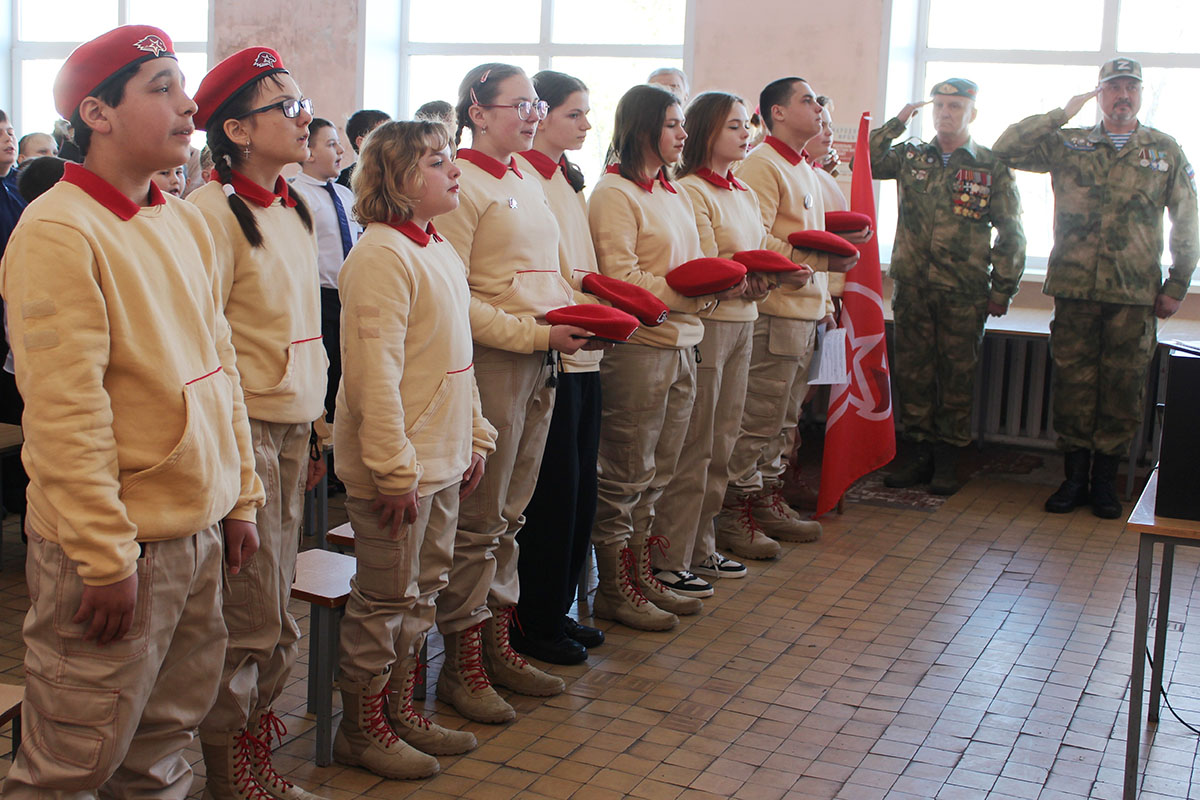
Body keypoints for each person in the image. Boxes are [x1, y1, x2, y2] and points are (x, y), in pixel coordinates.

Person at [0, 25, 262, 797]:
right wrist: (105, 555)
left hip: (197, 528)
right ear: (97, 112)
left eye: (184, 89)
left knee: (163, 742)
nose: (189, 107)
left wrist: (240, 495)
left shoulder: (177, 219)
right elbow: (65, 414)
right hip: (120, 545)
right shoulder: (57, 230)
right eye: (162, 88)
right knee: (71, 762)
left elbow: (221, 371)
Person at [333, 120, 497, 778]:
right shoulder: (380, 257)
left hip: (442, 459)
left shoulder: (436, 247)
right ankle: (361, 729)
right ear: (395, 181)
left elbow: (458, 358)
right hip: (397, 471)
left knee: (422, 592)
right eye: (435, 161)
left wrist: (474, 436)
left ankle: (400, 711)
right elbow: (374, 377)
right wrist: (394, 471)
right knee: (383, 604)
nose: (452, 169)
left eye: (450, 157)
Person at [191, 47, 330, 800]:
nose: (304, 115)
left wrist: (316, 429)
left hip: (292, 427)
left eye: (299, 99)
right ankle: (229, 766)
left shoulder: (294, 201)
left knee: (275, 608)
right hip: (243, 435)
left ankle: (250, 748)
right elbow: (208, 345)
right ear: (238, 129)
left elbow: (301, 328)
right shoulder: (211, 215)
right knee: (247, 612)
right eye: (286, 105)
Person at [436, 61, 593, 723]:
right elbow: (455, 299)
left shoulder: (528, 176)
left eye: (535, 104)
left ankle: (500, 643)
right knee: (479, 522)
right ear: (476, 110)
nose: (531, 115)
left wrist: (580, 315)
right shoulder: (457, 184)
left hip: (542, 357)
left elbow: (551, 276)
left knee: (513, 515)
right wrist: (535, 336)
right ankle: (462, 664)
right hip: (495, 362)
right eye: (517, 105)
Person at [993, 58, 1198, 519]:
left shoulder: (1164, 151)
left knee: (1123, 389)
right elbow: (1005, 149)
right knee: (1073, 385)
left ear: (1141, 94)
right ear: (1099, 94)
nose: (1122, 95)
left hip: (1134, 294)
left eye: (1131, 87)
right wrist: (1059, 114)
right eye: (1113, 88)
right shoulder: (1069, 142)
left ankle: (1105, 483)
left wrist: (1178, 283)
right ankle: (1073, 479)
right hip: (1075, 288)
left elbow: (1187, 220)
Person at [588, 83, 745, 629]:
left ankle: (639, 574)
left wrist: (714, 287)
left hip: (684, 343)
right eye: (673, 125)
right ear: (643, 128)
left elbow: (700, 261)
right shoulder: (615, 193)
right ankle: (613, 587)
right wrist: (697, 296)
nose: (684, 135)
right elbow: (620, 278)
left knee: (658, 474)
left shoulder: (672, 190)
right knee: (625, 476)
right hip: (641, 349)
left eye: (683, 124)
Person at [655, 91, 798, 592]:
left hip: (744, 319)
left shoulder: (741, 191)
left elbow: (755, 251)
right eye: (734, 126)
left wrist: (763, 279)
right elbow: (705, 259)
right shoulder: (691, 189)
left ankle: (703, 545)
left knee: (725, 439)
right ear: (707, 132)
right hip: (712, 322)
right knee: (697, 443)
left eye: (746, 126)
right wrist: (741, 279)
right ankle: (670, 553)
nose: (746, 134)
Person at [718, 77, 859, 557]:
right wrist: (809, 266)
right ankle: (735, 513)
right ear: (776, 112)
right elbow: (755, 239)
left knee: (783, 419)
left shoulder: (803, 166)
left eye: (820, 100)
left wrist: (825, 293)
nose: (819, 108)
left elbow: (807, 238)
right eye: (807, 100)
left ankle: (767, 497)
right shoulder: (764, 164)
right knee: (758, 417)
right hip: (776, 310)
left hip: (805, 308)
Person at [870, 78, 1025, 495]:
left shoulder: (990, 166)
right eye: (939, 105)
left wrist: (1002, 288)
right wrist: (898, 122)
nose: (946, 113)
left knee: (957, 377)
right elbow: (867, 160)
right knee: (914, 374)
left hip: (964, 290)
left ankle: (948, 461)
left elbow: (1011, 233)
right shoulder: (910, 155)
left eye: (955, 106)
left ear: (972, 113)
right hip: (914, 286)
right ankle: (917, 454)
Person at [511, 70, 608, 665]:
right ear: (541, 116)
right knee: (549, 495)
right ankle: (533, 619)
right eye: (574, 114)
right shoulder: (524, 179)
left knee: (579, 492)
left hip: (584, 344)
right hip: (549, 347)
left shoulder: (564, 180)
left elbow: (579, 264)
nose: (585, 125)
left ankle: (558, 608)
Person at [289, 118, 361, 424]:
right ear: (309, 151)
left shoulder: (346, 196)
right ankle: (322, 440)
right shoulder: (296, 196)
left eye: (339, 143)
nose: (341, 150)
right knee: (326, 377)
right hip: (318, 299)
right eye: (331, 144)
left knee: (351, 375)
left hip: (350, 297)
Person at [338, 108, 391, 188]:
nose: (393, 141)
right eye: (384, 135)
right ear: (362, 143)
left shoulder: (398, 175)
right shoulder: (343, 184)